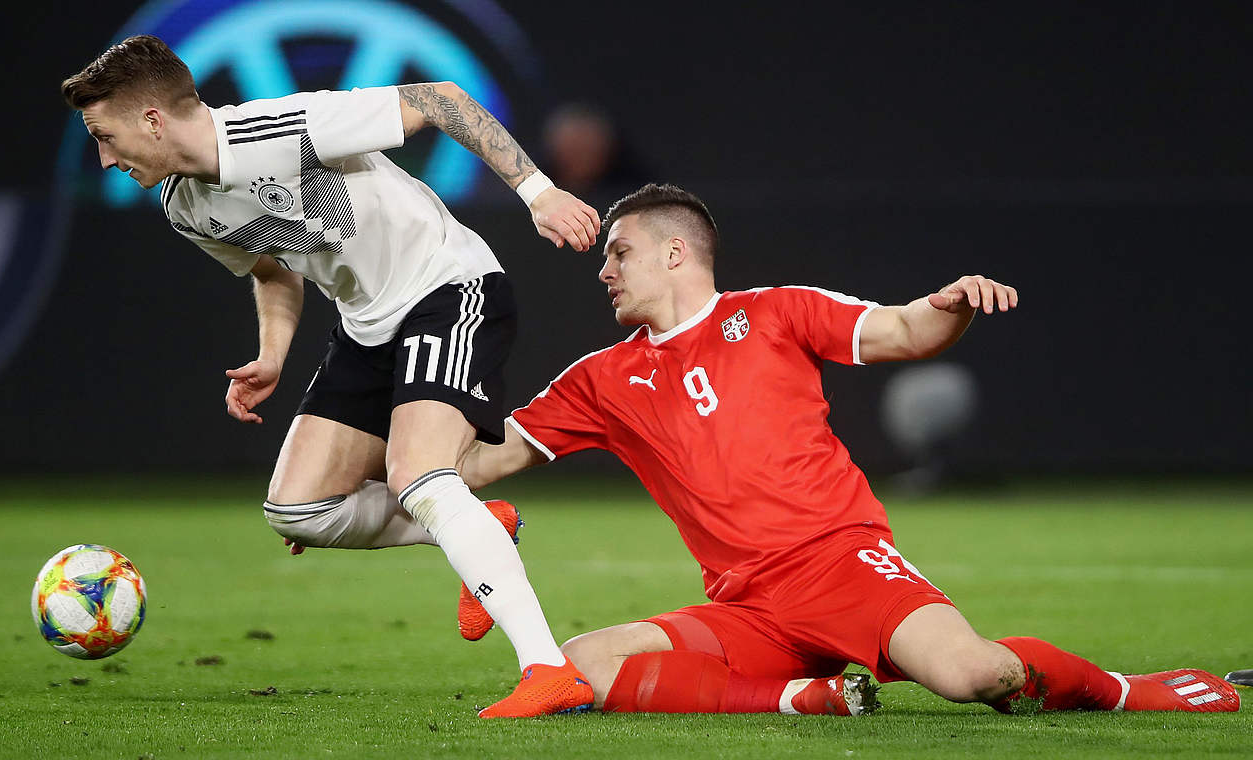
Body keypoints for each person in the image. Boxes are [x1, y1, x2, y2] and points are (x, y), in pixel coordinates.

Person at [452, 183, 1242, 716]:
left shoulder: (775, 313)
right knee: (581, 663)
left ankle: (1134, 691)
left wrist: (953, 305)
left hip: (841, 564)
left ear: (674, 253)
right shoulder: (601, 378)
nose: (605, 270)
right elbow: (478, 467)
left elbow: (903, 329)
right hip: (747, 606)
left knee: (981, 675)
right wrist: (424, 403)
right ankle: (807, 698)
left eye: (618, 252)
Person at [60, 34, 600, 718]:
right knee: (298, 510)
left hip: (447, 288)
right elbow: (272, 268)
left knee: (418, 475)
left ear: (153, 120)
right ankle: (472, 526)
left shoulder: (282, 127)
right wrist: (274, 353)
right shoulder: (183, 205)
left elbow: (440, 99)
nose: (104, 158)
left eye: (105, 136)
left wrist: (539, 192)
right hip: (366, 330)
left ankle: (548, 670)